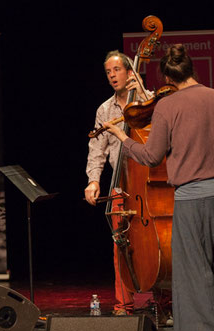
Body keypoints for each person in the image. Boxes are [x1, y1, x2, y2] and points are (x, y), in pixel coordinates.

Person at [102, 44, 214, 331]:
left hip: (193, 197)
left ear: (167, 76)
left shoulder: (168, 106)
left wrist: (122, 137)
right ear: (191, 70)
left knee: (193, 272)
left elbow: (152, 156)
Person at [84, 51, 150, 316]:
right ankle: (124, 304)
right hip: (120, 184)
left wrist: (144, 94)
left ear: (129, 72)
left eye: (116, 70)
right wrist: (93, 180)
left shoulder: (147, 99)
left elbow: (160, 128)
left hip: (147, 186)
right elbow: (97, 148)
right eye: (108, 72)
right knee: (120, 247)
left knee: (154, 246)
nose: (112, 75)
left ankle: (165, 303)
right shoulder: (105, 109)